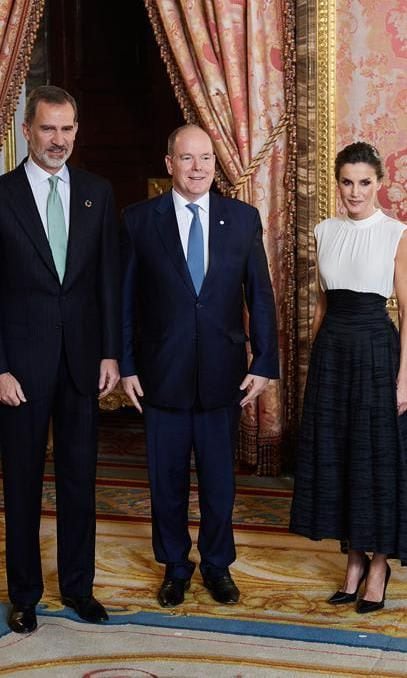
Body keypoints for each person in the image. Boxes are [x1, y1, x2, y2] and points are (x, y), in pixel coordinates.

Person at [121, 124, 279, 607]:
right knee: (165, 481)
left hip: (222, 375)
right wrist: (126, 365)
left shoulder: (243, 218)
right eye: (187, 159)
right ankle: (174, 566)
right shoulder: (138, 220)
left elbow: (261, 296)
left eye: (206, 159)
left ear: (215, 163)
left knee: (218, 483)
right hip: (159, 375)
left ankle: (216, 565)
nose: (198, 168)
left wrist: (266, 360)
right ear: (169, 164)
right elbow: (124, 301)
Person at [0, 86, 121, 633]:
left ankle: (79, 588)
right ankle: (24, 594)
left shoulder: (98, 192)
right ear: (27, 131)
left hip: (81, 363)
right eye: (49, 129)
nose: (59, 140)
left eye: (68, 129)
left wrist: (112, 353)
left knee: (79, 481)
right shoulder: (1, 195)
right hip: (19, 370)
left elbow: (107, 284)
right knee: (22, 482)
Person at [290, 142, 407, 613]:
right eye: (346, 181)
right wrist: (311, 367)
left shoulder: (396, 233)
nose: (355, 191)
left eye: (364, 182)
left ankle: (378, 565)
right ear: (336, 183)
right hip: (332, 355)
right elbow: (321, 304)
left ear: (379, 184)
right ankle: (353, 561)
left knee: (376, 460)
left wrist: (405, 380)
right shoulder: (324, 230)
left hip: (378, 352)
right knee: (341, 456)